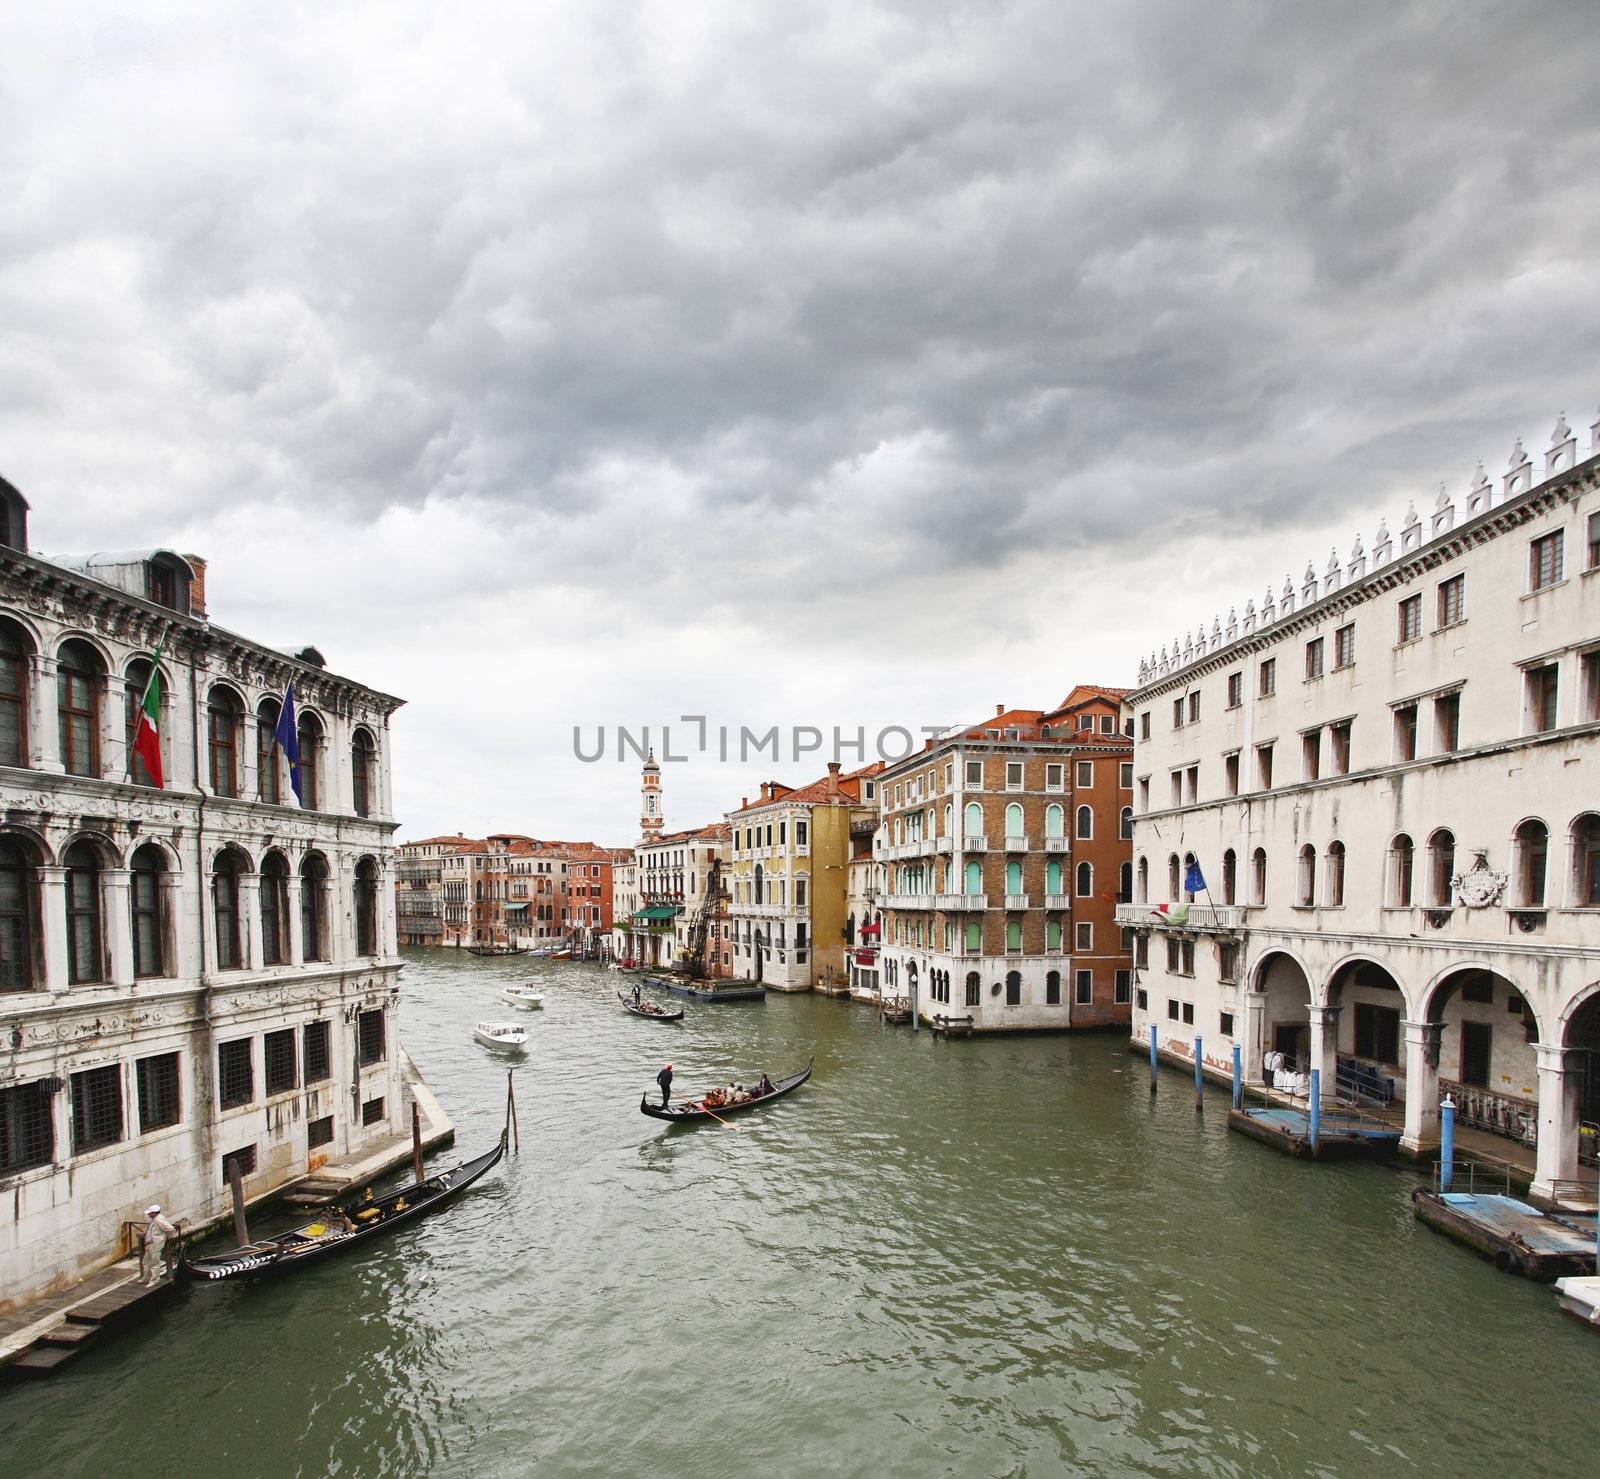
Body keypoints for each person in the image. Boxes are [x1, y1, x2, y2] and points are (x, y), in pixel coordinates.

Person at [140, 1204, 179, 1285]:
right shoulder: (155, 1219)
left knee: (154, 1263)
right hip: (149, 1243)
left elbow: (171, 1229)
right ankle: (146, 1278)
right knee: (146, 1262)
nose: (148, 1214)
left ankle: (154, 1280)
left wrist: (168, 1237)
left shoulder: (159, 1220)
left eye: (150, 1213)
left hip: (155, 1244)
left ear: (154, 1213)